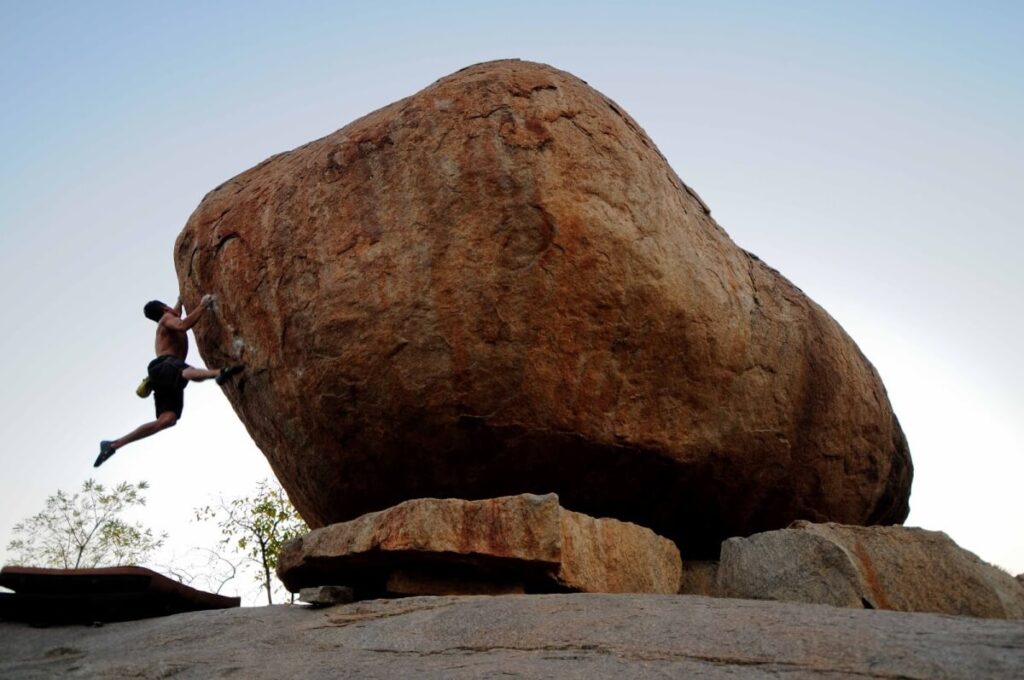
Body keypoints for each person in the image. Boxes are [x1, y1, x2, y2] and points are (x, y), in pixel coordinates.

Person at [94, 294, 243, 467]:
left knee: (167, 420)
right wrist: (203, 305)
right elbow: (182, 324)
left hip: (163, 372)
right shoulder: (167, 319)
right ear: (165, 308)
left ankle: (113, 445)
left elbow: (176, 314)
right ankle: (219, 372)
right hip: (164, 365)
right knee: (185, 372)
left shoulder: (166, 319)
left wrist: (180, 301)